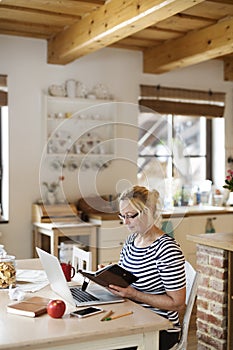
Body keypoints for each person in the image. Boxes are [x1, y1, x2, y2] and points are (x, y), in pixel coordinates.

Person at [108, 185, 186, 350]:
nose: (125, 222)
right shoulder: (131, 241)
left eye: (130, 216)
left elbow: (177, 304)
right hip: (133, 318)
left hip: (159, 328)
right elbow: (128, 278)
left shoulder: (167, 250)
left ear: (148, 212)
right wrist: (110, 274)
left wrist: (134, 294)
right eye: (122, 216)